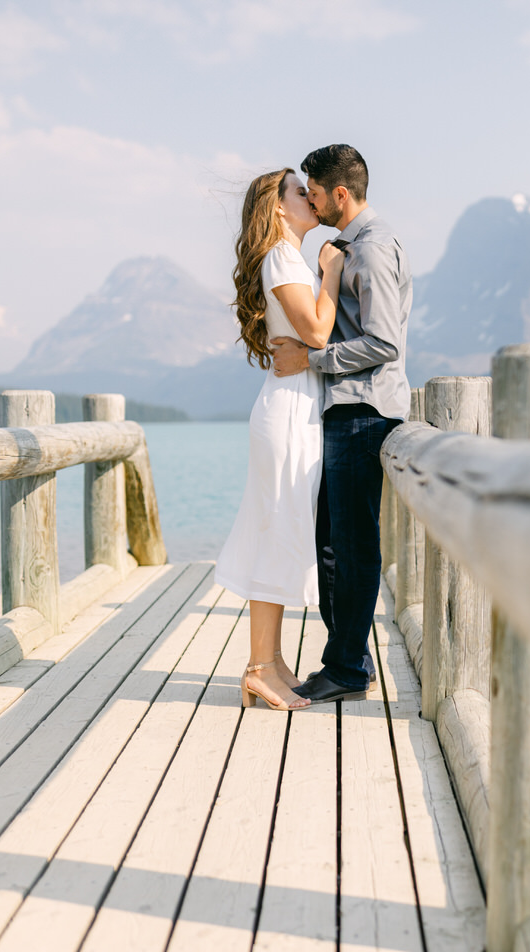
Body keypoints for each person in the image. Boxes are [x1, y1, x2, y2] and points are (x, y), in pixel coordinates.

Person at [270, 144, 413, 704]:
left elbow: (383, 343)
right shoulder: (348, 248)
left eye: (314, 190)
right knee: (335, 543)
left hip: (363, 411)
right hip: (349, 411)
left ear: (341, 194)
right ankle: (349, 659)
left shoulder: (371, 251)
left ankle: (348, 668)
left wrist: (312, 360)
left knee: (348, 546)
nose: (310, 199)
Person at [217, 168, 344, 711]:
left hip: (295, 405)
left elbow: (306, 342)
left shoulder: (285, 257)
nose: (311, 196)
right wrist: (332, 271)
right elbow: (316, 333)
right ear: (277, 209)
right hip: (288, 411)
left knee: (282, 527)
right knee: (279, 530)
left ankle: (272, 661)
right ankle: (257, 668)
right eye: (300, 191)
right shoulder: (284, 258)